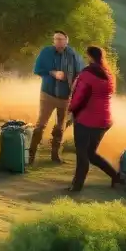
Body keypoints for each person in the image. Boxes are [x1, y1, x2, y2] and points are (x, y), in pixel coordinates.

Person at [66, 46, 120, 193]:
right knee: (91, 154)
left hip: (86, 120)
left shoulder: (87, 74)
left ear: (90, 57)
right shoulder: (108, 74)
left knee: (82, 154)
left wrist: (70, 111)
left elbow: (78, 97)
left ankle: (77, 186)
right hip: (104, 121)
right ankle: (116, 177)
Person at [29, 30, 83, 165]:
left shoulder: (73, 55)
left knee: (60, 126)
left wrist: (75, 85)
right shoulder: (46, 52)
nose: (58, 42)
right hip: (47, 94)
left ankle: (55, 155)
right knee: (40, 125)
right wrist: (52, 73)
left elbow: (80, 73)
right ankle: (31, 154)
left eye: (61, 39)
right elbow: (37, 69)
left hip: (65, 97)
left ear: (66, 41)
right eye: (56, 39)